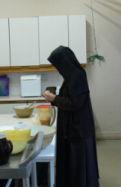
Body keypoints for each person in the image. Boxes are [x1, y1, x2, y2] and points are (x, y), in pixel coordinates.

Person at [43, 46, 99, 187]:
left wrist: (54, 98)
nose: (57, 68)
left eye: (58, 65)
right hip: (74, 127)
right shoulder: (71, 75)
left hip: (78, 129)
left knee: (77, 162)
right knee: (72, 162)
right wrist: (55, 98)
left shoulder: (77, 75)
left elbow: (75, 103)